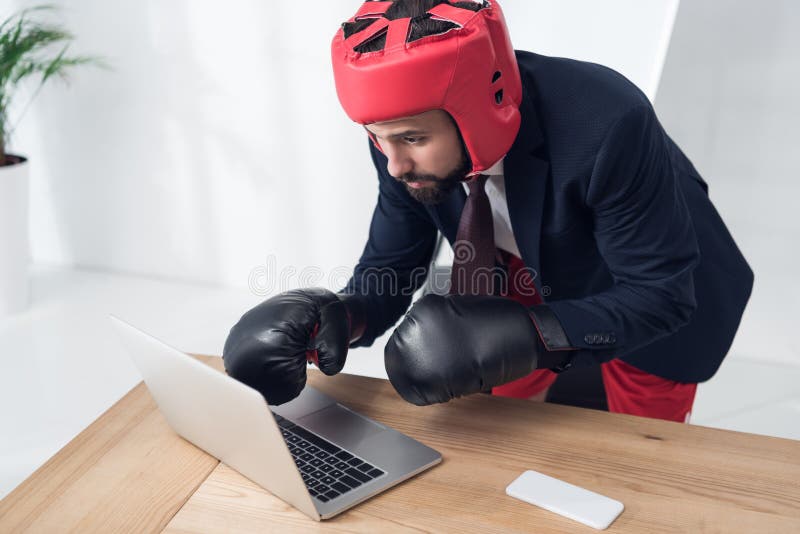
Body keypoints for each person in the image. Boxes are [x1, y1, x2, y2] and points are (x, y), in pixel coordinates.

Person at [222, 0, 754, 423]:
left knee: (640, 464)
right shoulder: (398, 137)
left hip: (653, 288)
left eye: (411, 139)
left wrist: (532, 336)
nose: (394, 163)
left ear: (484, 108)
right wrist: (342, 316)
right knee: (489, 430)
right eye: (377, 138)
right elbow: (395, 259)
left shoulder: (607, 122)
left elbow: (659, 294)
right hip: (521, 267)